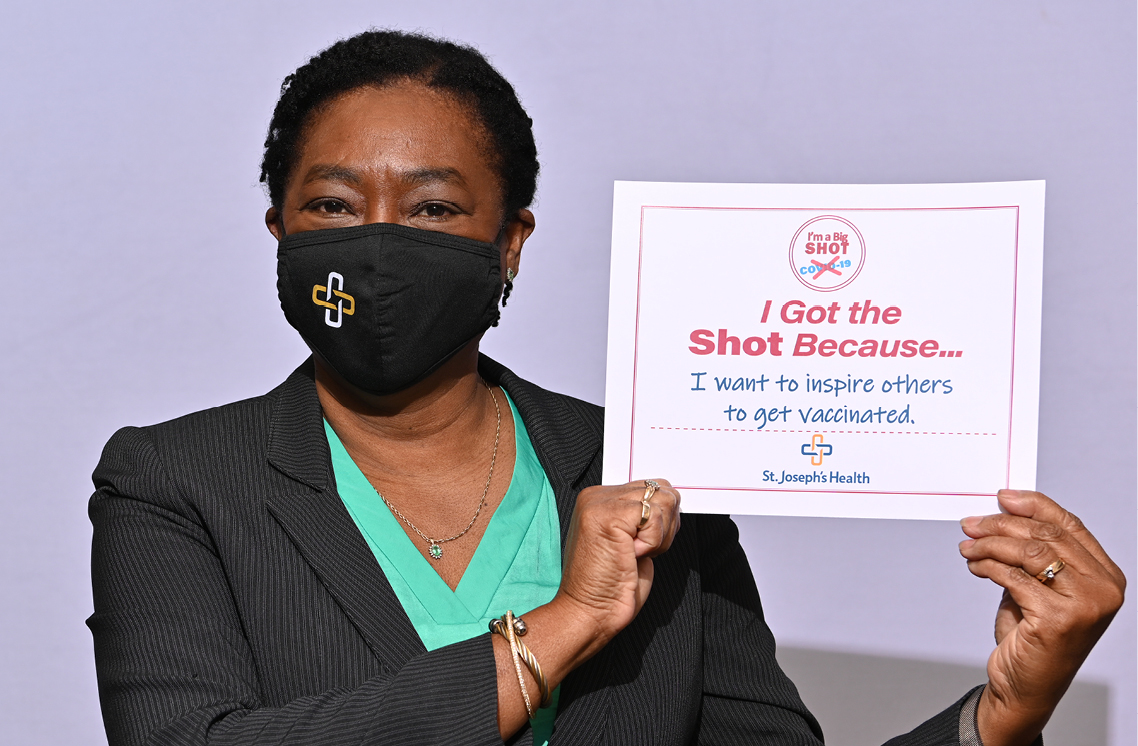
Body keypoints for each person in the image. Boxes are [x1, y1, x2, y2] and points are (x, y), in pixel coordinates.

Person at [87, 29, 1124, 746]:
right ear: (278, 228)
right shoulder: (177, 480)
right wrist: (565, 620)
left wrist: (1000, 714)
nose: (379, 243)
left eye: (437, 208)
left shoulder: (651, 476)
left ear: (511, 243)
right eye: (331, 203)